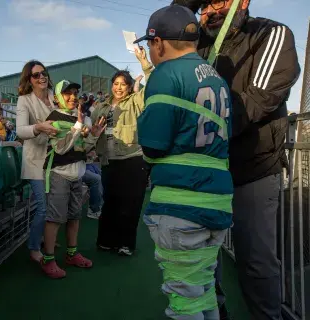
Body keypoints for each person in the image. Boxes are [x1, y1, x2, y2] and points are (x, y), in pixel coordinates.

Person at [173, 1, 301, 319]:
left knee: (256, 262)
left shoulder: (270, 33)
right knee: (201, 257)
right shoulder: (196, 42)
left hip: (253, 169)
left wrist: (199, 127)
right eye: (205, 3)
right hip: (205, 170)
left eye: (220, 1)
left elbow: (258, 100)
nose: (211, 9)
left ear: (241, 2)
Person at [135, 5, 233, 319]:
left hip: (181, 204)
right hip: (217, 201)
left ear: (158, 42)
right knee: (202, 293)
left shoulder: (165, 74)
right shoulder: (217, 76)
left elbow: (151, 146)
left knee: (184, 303)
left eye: (149, 44)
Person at [40, 80, 105, 278]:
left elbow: (81, 149)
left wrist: (92, 136)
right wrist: (78, 126)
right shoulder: (53, 117)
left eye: (75, 93)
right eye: (67, 93)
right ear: (58, 96)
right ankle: (48, 259)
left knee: (74, 217)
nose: (73, 96)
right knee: (55, 218)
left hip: (77, 174)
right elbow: (60, 148)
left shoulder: (78, 118)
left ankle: (71, 254)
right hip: (59, 174)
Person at [92, 47, 153, 256]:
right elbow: (91, 132)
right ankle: (106, 241)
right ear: (112, 86)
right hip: (109, 160)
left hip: (133, 159)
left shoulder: (136, 101)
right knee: (110, 202)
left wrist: (144, 62)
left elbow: (153, 84)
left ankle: (126, 244)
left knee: (131, 202)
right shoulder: (100, 106)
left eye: (123, 84)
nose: (119, 88)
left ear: (129, 87)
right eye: (116, 84)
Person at [16, 60, 59, 262]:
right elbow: (20, 130)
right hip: (35, 160)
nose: (42, 77)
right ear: (29, 80)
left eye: (44, 73)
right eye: (36, 75)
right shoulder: (24, 100)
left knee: (51, 205)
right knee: (42, 207)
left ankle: (44, 239)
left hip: (56, 159)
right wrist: (39, 127)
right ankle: (34, 248)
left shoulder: (54, 97)